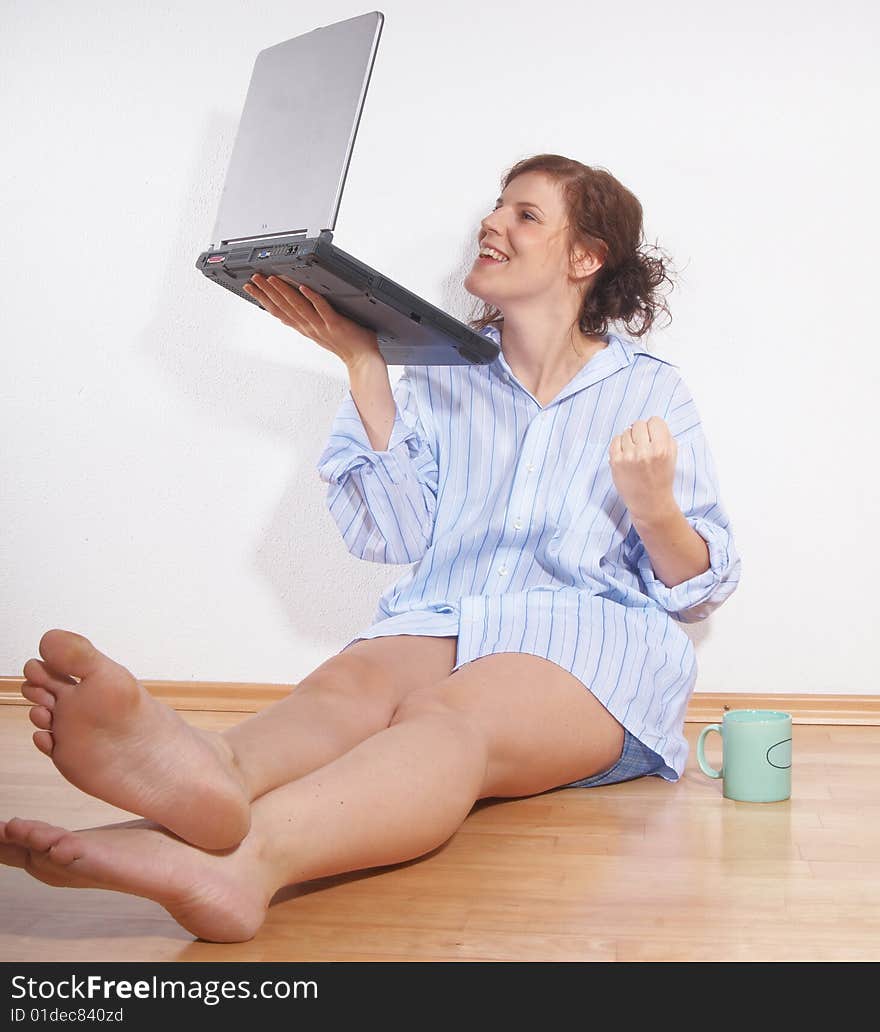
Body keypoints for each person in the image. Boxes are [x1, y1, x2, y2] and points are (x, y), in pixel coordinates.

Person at [0, 154, 740, 943]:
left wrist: (655, 507)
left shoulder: (651, 391)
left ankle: (249, 862)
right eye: (496, 206)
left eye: (525, 214)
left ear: (585, 258)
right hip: (448, 615)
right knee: (348, 685)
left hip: (593, 641)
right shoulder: (437, 373)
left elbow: (697, 590)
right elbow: (398, 536)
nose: (491, 223)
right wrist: (364, 365)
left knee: (448, 717)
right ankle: (216, 770)